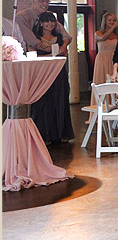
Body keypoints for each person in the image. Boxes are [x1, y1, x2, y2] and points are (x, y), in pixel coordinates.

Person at [30, 12, 74, 145]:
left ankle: (61, 133)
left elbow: (64, 55)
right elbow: (31, 55)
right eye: (47, 21)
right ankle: (45, 134)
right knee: (43, 103)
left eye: (52, 21)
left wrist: (61, 50)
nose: (50, 24)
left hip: (59, 73)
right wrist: (49, 55)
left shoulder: (60, 38)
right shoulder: (35, 38)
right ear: (41, 23)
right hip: (41, 74)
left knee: (60, 101)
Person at [92, 12, 118, 102]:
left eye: (114, 20)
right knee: (102, 81)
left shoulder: (117, 34)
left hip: (114, 60)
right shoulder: (98, 33)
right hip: (102, 59)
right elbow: (103, 38)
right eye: (109, 20)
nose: (112, 22)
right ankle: (101, 106)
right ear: (105, 21)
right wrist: (114, 27)